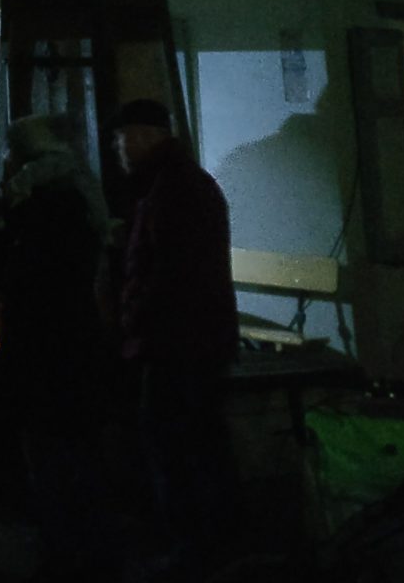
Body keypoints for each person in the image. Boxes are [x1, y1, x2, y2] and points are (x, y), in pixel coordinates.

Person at [112, 97, 238, 574]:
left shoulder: (168, 192)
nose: (117, 149)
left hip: (175, 343)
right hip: (196, 340)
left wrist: (131, 319)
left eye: (120, 138)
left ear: (143, 136)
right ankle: (213, 546)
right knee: (200, 444)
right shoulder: (185, 185)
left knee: (176, 447)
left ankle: (195, 551)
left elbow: (164, 274)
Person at [0, 113, 117, 583]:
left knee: (53, 459)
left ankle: (65, 555)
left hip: (44, 348)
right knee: (82, 456)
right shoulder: (81, 198)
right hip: (79, 342)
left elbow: (21, 279)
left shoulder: (39, 207)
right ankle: (96, 553)